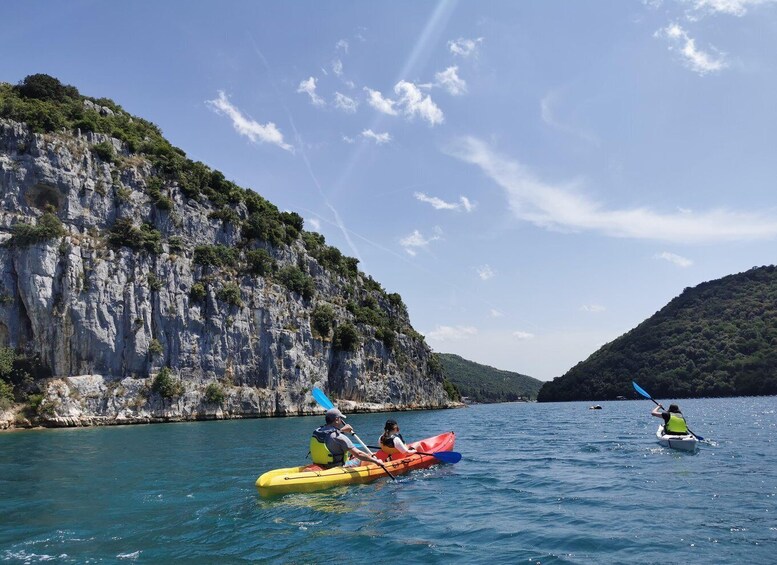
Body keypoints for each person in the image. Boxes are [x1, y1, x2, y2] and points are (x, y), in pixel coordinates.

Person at [310, 408, 384, 468]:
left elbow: (330, 435)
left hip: (320, 463)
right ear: (336, 420)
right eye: (340, 419)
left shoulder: (317, 431)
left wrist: (341, 430)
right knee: (361, 459)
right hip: (335, 467)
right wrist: (376, 461)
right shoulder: (340, 437)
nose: (341, 421)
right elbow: (358, 454)